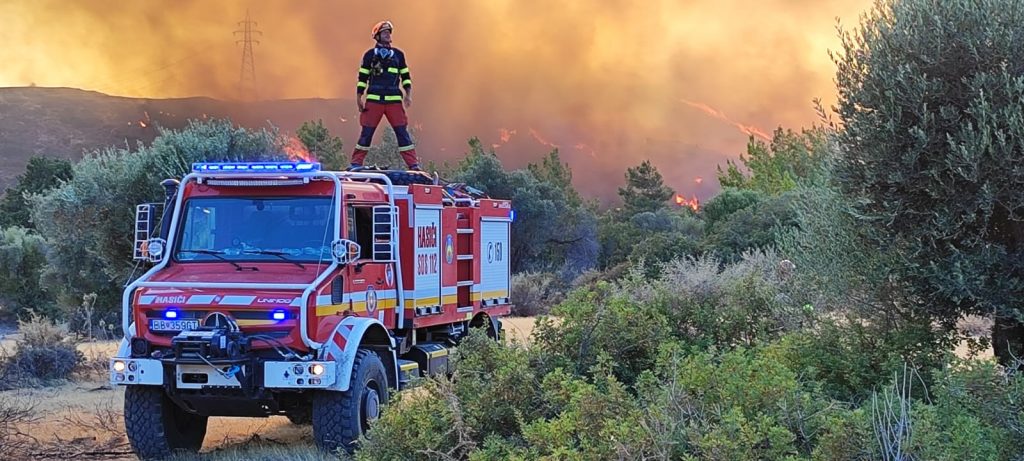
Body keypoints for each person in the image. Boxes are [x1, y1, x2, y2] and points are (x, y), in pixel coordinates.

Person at [349, 20, 420, 171]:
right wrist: (358, 97)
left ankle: (413, 165)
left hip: (394, 101)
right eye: (384, 32)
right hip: (374, 100)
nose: (388, 35)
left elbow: (405, 76)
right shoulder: (369, 56)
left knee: (402, 133)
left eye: (389, 32)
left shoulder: (399, 55)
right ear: (377, 36)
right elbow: (362, 78)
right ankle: (356, 163)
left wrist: (408, 94)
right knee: (366, 133)